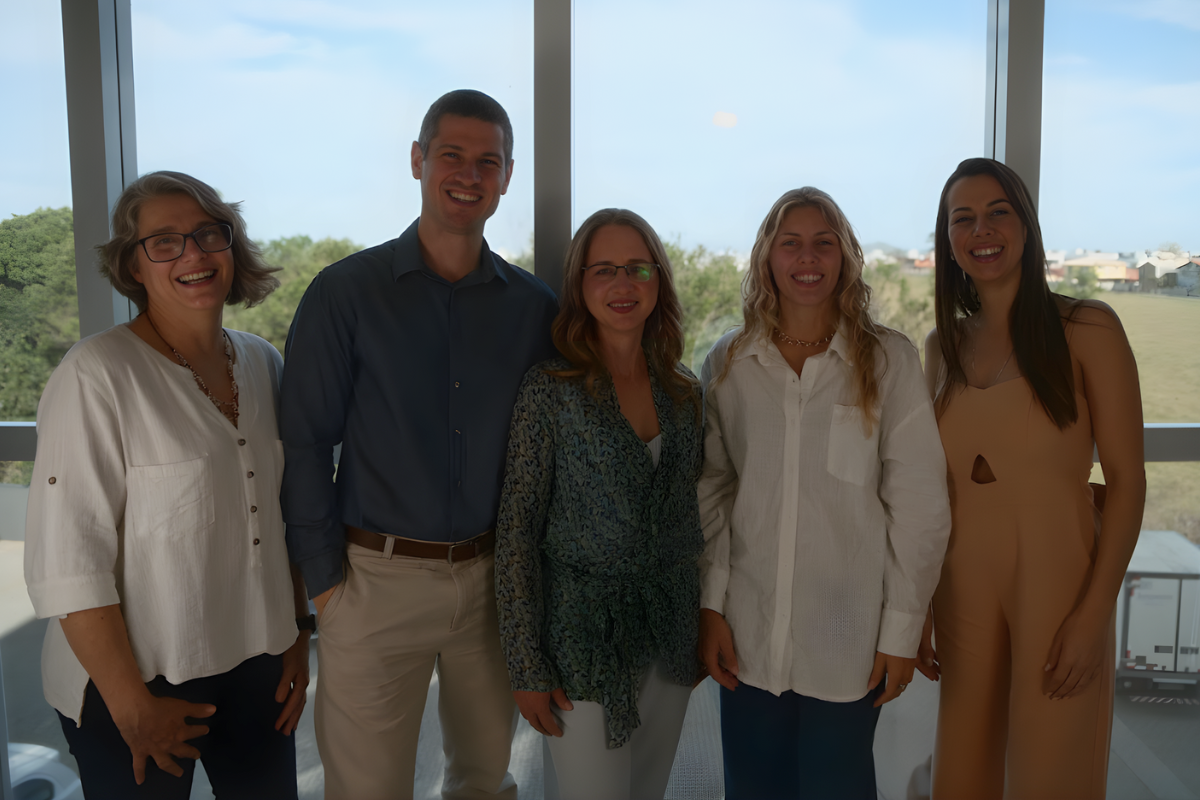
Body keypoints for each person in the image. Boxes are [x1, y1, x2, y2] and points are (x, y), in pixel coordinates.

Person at [280, 89, 558, 800]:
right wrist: (326, 588)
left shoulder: (535, 309)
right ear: (417, 160)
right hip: (372, 584)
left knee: (483, 782)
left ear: (508, 175)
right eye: (451, 155)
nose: (469, 174)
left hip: (493, 585)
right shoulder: (344, 293)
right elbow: (304, 443)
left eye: (488, 161)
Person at [24, 171, 312, 799]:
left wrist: (297, 634)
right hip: (135, 683)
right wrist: (132, 707)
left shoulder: (263, 362)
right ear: (133, 265)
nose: (193, 254)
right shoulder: (95, 375)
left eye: (209, 233)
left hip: (258, 665)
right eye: (164, 242)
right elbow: (70, 565)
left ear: (231, 244)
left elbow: (280, 517)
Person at [697, 187, 951, 800]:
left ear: (845, 258)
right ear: (767, 256)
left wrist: (901, 632)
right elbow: (713, 492)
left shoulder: (888, 360)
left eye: (823, 242)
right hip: (748, 635)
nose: (807, 257)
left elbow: (919, 505)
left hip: (849, 640)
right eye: (790, 242)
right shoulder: (729, 363)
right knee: (753, 790)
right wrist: (710, 607)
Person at [921, 157, 1144, 799]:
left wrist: (1094, 615)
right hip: (961, 583)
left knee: (1052, 774)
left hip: (1058, 581)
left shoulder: (1087, 328)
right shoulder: (941, 346)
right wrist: (921, 607)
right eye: (963, 218)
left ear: (1026, 225)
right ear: (948, 240)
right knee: (962, 774)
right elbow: (932, 491)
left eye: (998, 212)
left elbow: (1127, 481)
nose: (981, 230)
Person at [495, 209, 703, 800]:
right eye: (604, 270)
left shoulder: (685, 390)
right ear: (579, 284)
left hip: (669, 633)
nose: (623, 283)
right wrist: (526, 665)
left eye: (638, 268)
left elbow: (694, 516)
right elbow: (517, 530)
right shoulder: (549, 389)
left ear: (658, 279)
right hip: (579, 641)